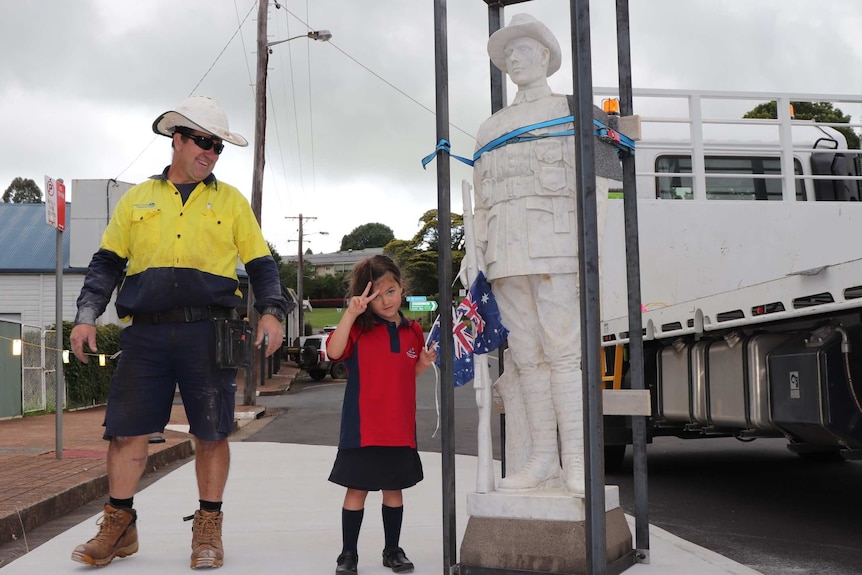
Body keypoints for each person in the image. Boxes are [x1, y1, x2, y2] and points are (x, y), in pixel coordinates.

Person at [69, 95, 288, 569]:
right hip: (144, 335)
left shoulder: (230, 201)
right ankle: (119, 526)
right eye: (204, 142)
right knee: (126, 433)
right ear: (178, 139)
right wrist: (87, 315)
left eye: (218, 147)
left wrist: (272, 311)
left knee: (211, 431)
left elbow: (261, 263)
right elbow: (106, 263)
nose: (210, 153)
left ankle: (208, 528)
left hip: (208, 333)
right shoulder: (137, 199)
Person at [472, 14, 610, 495]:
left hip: (557, 248)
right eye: (508, 55)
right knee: (526, 358)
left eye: (524, 50)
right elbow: (482, 201)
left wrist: (594, 251)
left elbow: (604, 184)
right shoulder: (491, 127)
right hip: (507, 254)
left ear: (547, 56)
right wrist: (476, 254)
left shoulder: (577, 111)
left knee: (565, 354)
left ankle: (576, 461)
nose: (514, 60)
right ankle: (543, 460)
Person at [326, 255, 436, 575]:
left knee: (394, 490)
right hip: (363, 428)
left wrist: (424, 363)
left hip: (399, 428)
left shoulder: (413, 330)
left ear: (402, 290)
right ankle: (348, 554)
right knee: (357, 490)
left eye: (392, 291)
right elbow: (333, 352)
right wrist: (351, 313)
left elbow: (407, 372)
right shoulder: (359, 330)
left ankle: (392, 550)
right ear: (366, 298)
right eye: (378, 295)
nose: (386, 301)